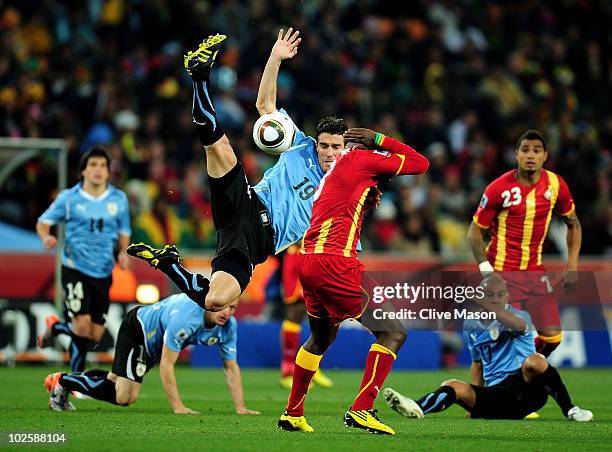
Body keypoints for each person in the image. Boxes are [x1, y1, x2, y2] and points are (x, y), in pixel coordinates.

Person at [127, 30, 372, 312]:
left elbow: (345, 244)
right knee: (217, 147)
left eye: (335, 147)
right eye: (324, 145)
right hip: (247, 204)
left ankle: (167, 262)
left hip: (256, 244)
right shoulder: (300, 146)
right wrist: (275, 58)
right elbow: (264, 106)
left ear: (345, 150)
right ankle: (199, 75)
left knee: (215, 300)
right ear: (316, 144)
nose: (329, 152)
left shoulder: (344, 195)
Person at [277, 128, 429, 435]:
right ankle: (362, 409)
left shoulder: (339, 171)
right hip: (335, 262)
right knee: (393, 332)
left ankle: (292, 413)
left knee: (321, 339)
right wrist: (379, 139)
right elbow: (419, 162)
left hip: (308, 260)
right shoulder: (360, 159)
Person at [383, 274, 593, 422]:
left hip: (528, 392)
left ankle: (570, 409)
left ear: (507, 297)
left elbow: (518, 327)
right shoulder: (471, 325)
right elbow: (477, 363)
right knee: (453, 384)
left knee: (535, 361)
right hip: (497, 396)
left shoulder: (520, 317)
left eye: (500, 295)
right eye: (490, 295)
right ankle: (417, 407)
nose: (495, 299)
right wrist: (472, 402)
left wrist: (486, 303)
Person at [43, 293, 259, 415]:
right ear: (212, 302)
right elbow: (167, 365)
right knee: (125, 396)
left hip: (152, 340)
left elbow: (231, 367)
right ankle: (62, 382)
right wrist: (178, 407)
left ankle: (64, 383)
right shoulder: (187, 319)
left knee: (114, 381)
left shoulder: (229, 327)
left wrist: (241, 407)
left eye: (233, 307)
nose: (227, 312)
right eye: (223, 306)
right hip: (138, 329)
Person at [467, 129, 582, 356]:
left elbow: (574, 224)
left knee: (553, 337)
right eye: (525, 150)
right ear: (516, 154)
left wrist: (572, 266)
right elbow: (474, 232)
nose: (531, 155)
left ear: (545, 156)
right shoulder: (499, 188)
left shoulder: (556, 185)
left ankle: (525, 376)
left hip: (534, 272)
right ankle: (493, 386)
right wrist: (487, 272)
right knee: (506, 341)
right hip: (501, 274)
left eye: (536, 151)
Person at [37, 146, 131, 372]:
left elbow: (124, 230)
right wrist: (46, 237)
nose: (98, 170)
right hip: (74, 267)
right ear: (83, 171)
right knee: (81, 327)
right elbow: (43, 221)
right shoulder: (69, 198)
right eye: (93, 165)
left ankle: (56, 327)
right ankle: (72, 383)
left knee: (95, 333)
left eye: (102, 166)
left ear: (109, 172)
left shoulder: (119, 199)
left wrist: (123, 252)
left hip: (103, 271)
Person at [278, 245, 333, 389]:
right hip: (301, 259)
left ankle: (312, 368)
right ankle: (287, 371)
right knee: (294, 315)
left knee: (318, 321)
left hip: (313, 256)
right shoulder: (294, 249)